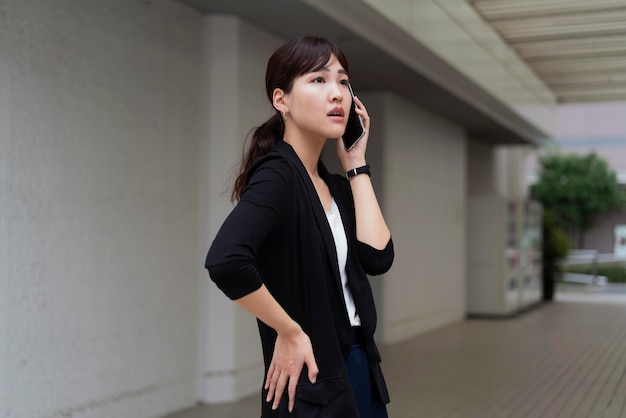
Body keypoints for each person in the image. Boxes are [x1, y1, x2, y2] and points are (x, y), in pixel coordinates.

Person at [205, 36, 394, 418]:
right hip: (314, 376)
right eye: (319, 80)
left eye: (342, 81)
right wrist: (287, 331)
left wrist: (356, 163)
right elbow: (226, 261)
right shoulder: (279, 175)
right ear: (282, 100)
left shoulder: (335, 186)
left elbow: (377, 257)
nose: (337, 94)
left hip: (359, 366)